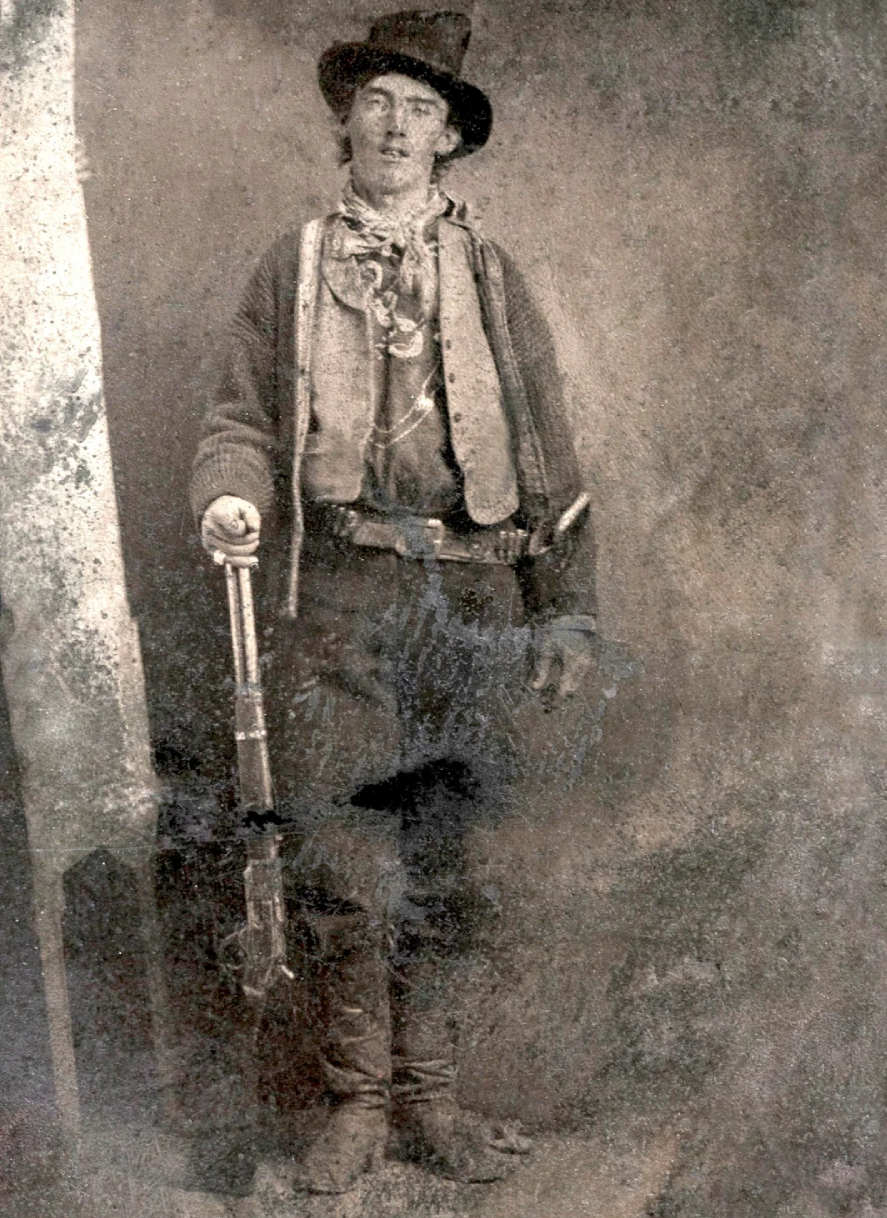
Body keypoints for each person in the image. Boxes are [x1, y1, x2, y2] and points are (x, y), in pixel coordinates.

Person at [189, 8, 597, 1198]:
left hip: (473, 598)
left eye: (420, 109)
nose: (395, 125)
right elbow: (236, 416)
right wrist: (230, 497)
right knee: (345, 856)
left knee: (450, 853)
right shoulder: (296, 262)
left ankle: (434, 1100)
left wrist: (562, 606)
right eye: (376, 101)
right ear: (345, 121)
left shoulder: (490, 273)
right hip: (346, 596)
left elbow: (548, 446)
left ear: (450, 141)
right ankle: (358, 1104)